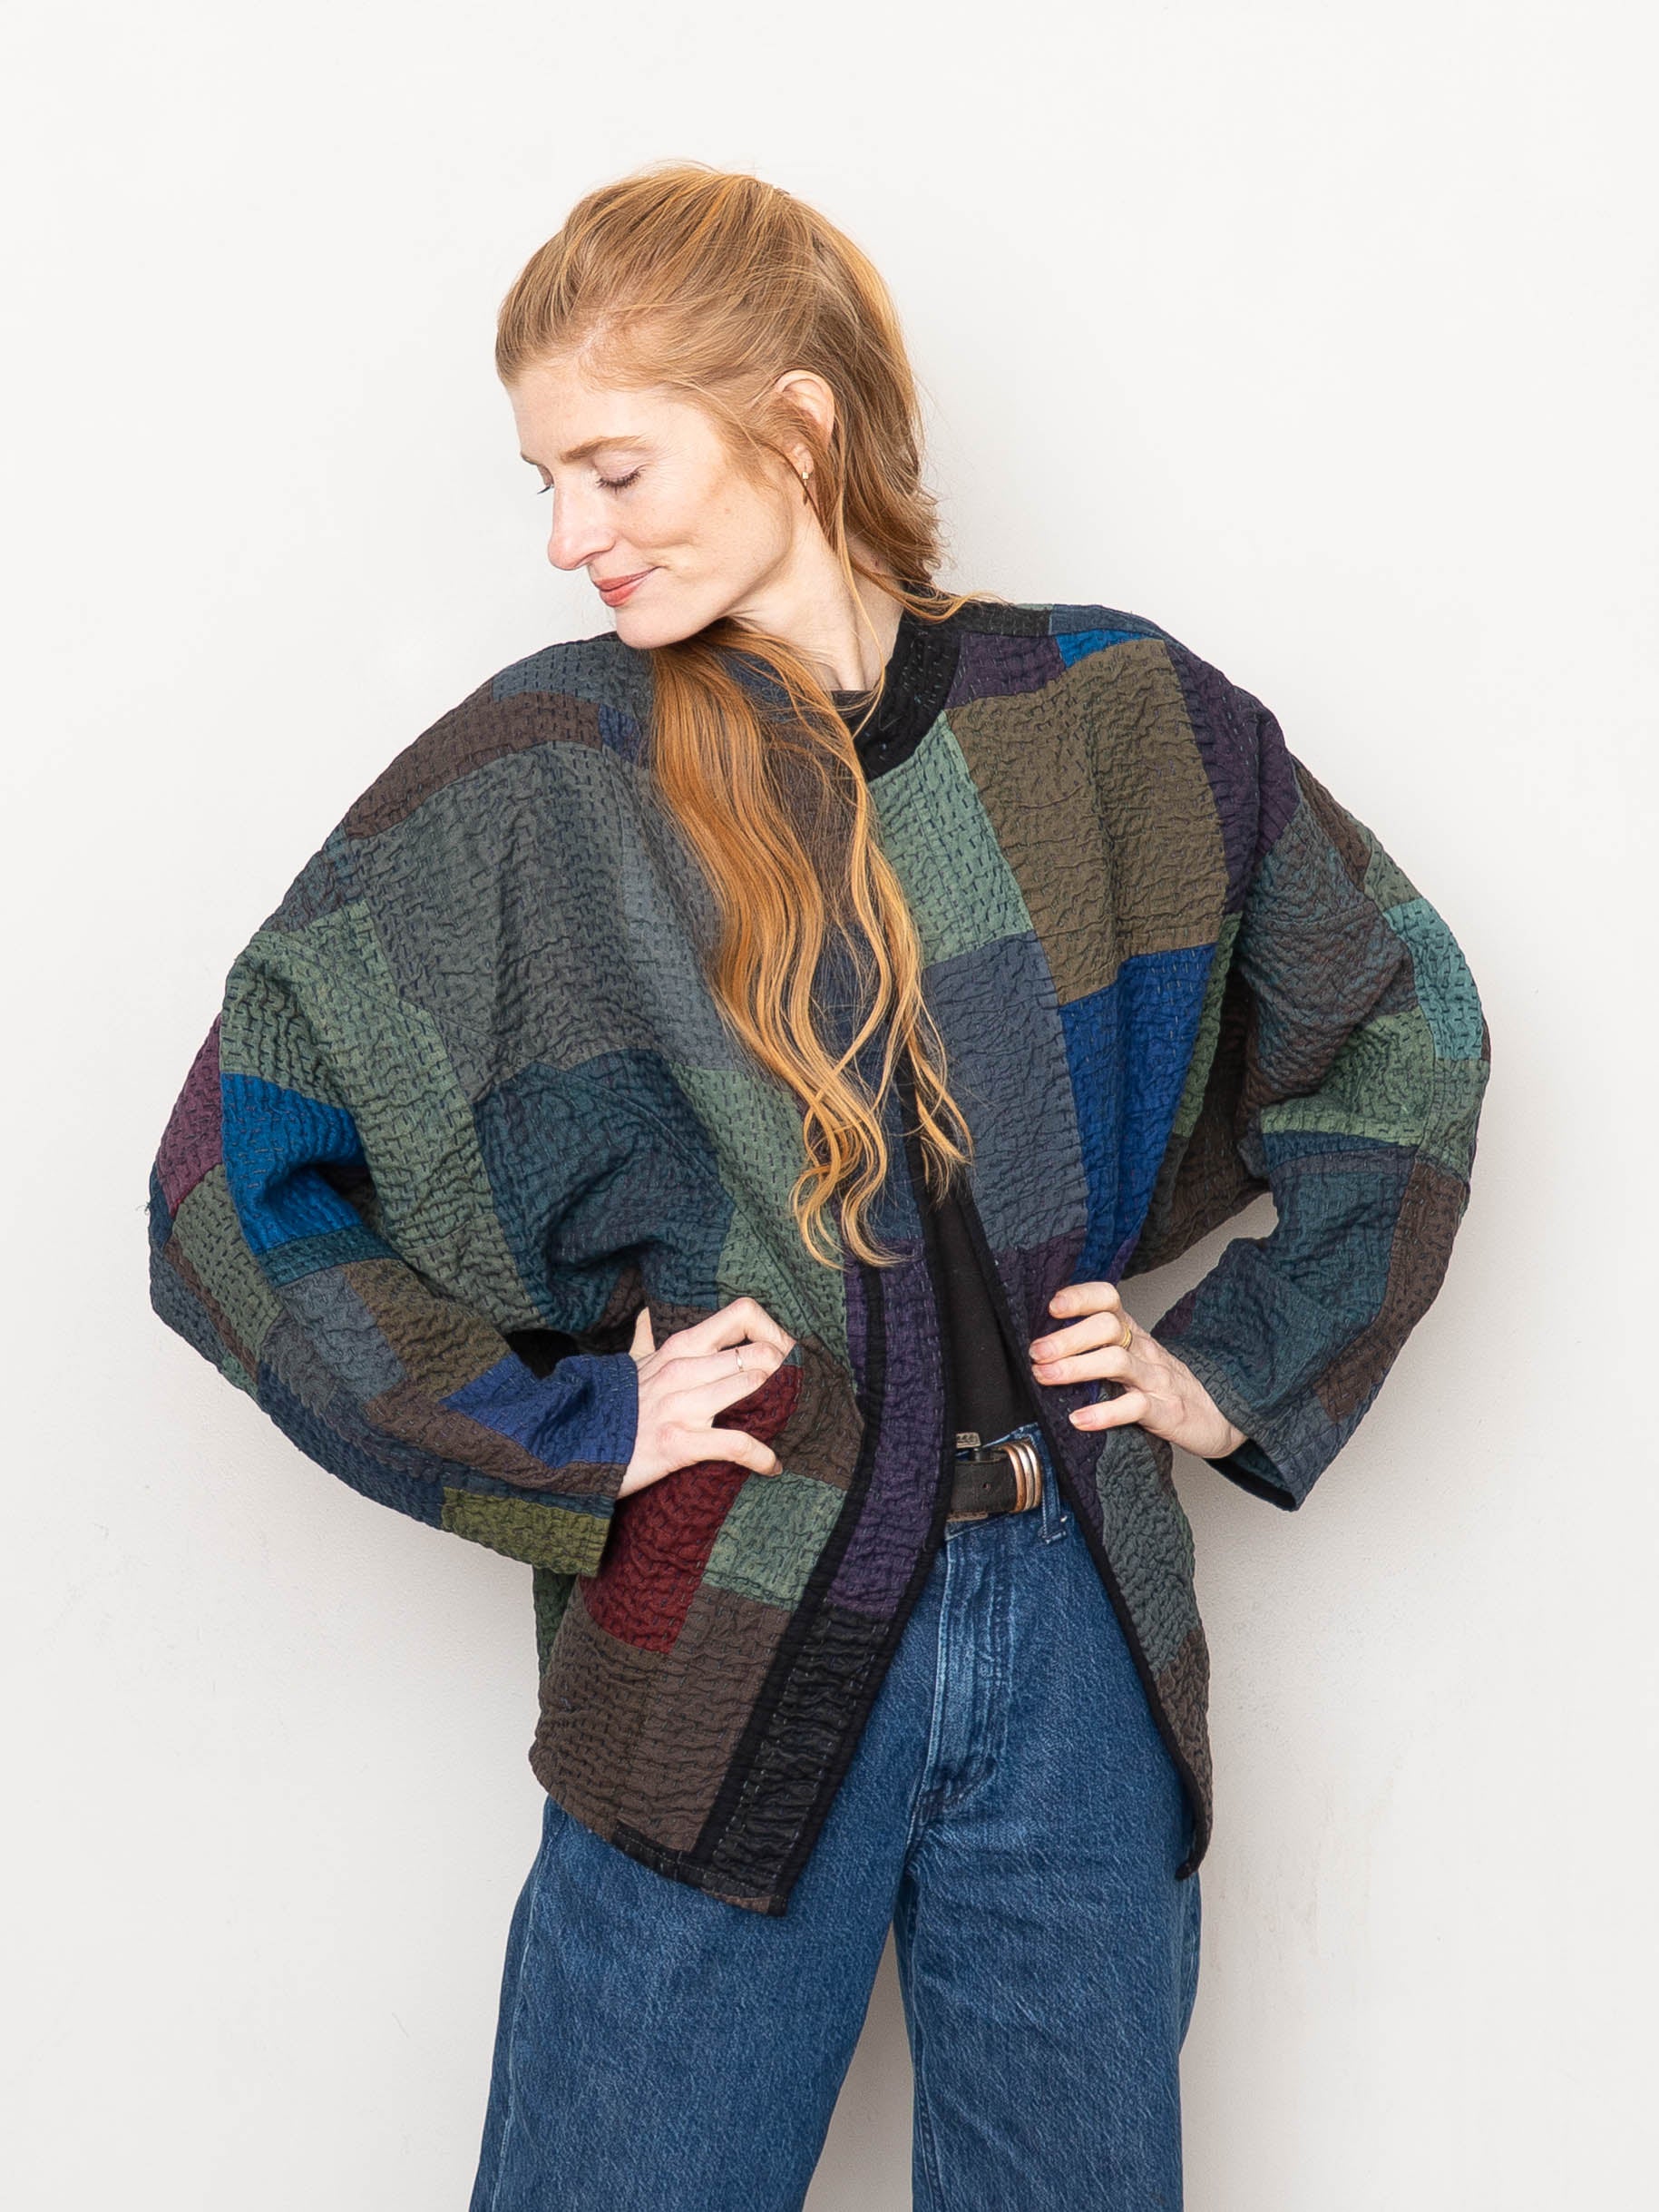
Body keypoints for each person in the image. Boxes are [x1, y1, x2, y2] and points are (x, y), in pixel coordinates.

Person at [145, 161, 1490, 2211]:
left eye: (613, 469)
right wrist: (573, 1427)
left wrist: (1234, 1365)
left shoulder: (1115, 714)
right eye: (544, 481)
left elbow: (1403, 1020)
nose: (568, 536)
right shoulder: (545, 775)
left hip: (1080, 1625)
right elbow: (230, 1178)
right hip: (732, 1600)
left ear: (794, 423)